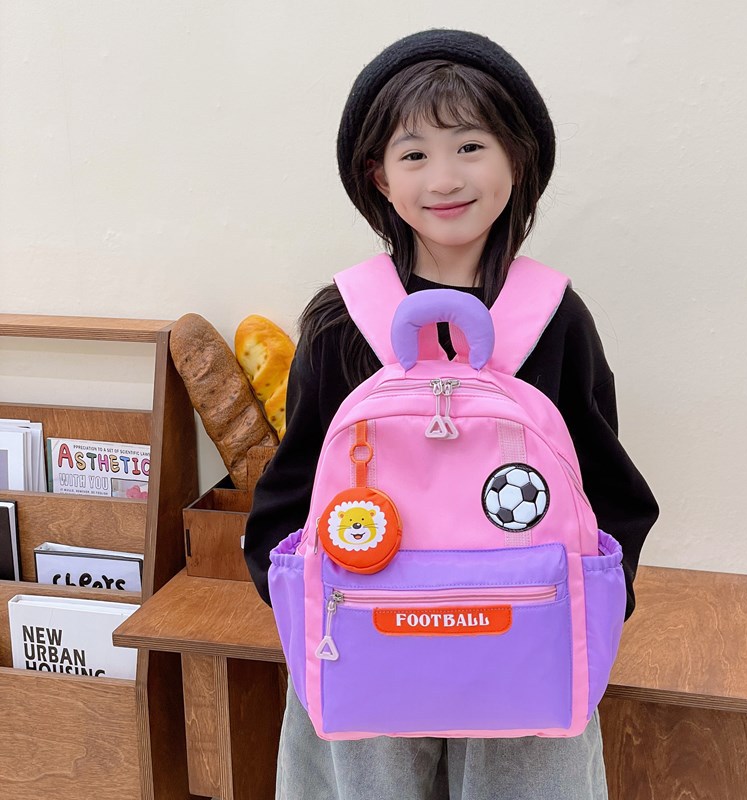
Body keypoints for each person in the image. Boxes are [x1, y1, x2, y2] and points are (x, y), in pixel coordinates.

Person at [245, 28, 659, 800]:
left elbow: (609, 490)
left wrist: (585, 619)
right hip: (365, 634)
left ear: (517, 161)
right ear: (378, 178)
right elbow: (289, 491)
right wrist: (306, 611)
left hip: (525, 639)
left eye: (471, 145)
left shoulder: (556, 317)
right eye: (413, 155)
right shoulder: (342, 322)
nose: (444, 177)